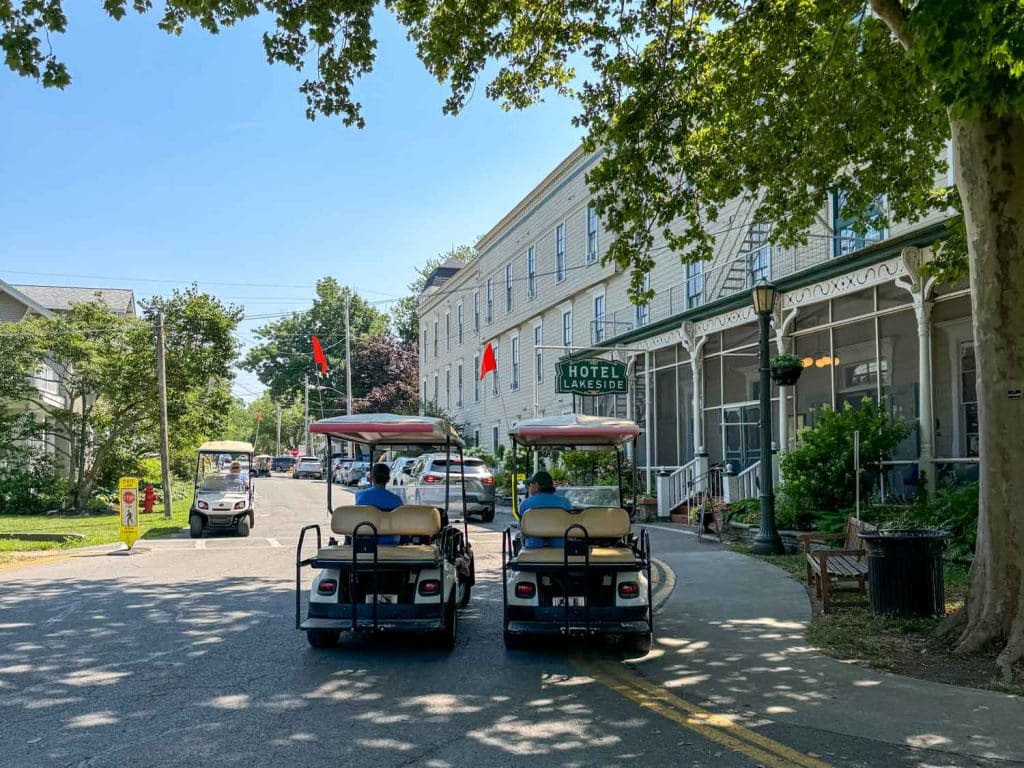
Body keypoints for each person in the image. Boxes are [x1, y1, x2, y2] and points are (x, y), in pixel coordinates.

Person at [518, 470, 573, 548]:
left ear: (536, 485)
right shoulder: (565, 502)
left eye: (530, 485)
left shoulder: (525, 504)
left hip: (533, 547)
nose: (529, 488)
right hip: (560, 548)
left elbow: (522, 529)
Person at [355, 463, 404, 544]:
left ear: (371, 478)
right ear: (388, 479)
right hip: (391, 541)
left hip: (364, 540)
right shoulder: (396, 500)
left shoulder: (360, 495)